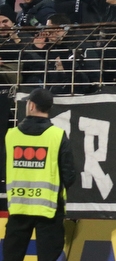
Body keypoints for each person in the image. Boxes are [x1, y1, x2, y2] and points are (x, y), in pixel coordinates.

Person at [3, 87, 76, 261]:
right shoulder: (57, 135)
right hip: (49, 210)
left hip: (18, 208)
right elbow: (70, 175)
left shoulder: (11, 136)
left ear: (31, 105)